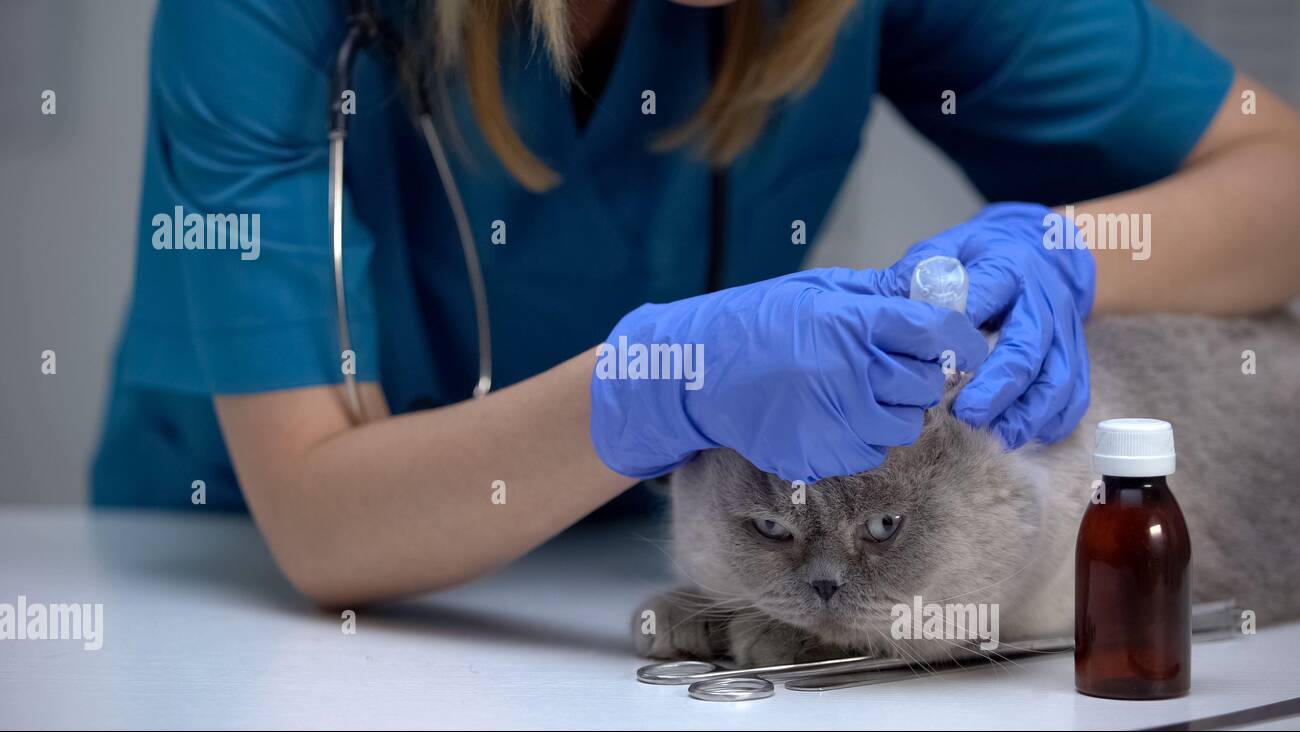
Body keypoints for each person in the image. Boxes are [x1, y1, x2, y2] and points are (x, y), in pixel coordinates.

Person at [93, 0, 1300, 605]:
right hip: (233, 575)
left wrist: (1063, 250)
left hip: (646, 580)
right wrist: (656, 378)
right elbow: (319, 520)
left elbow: (1279, 177)